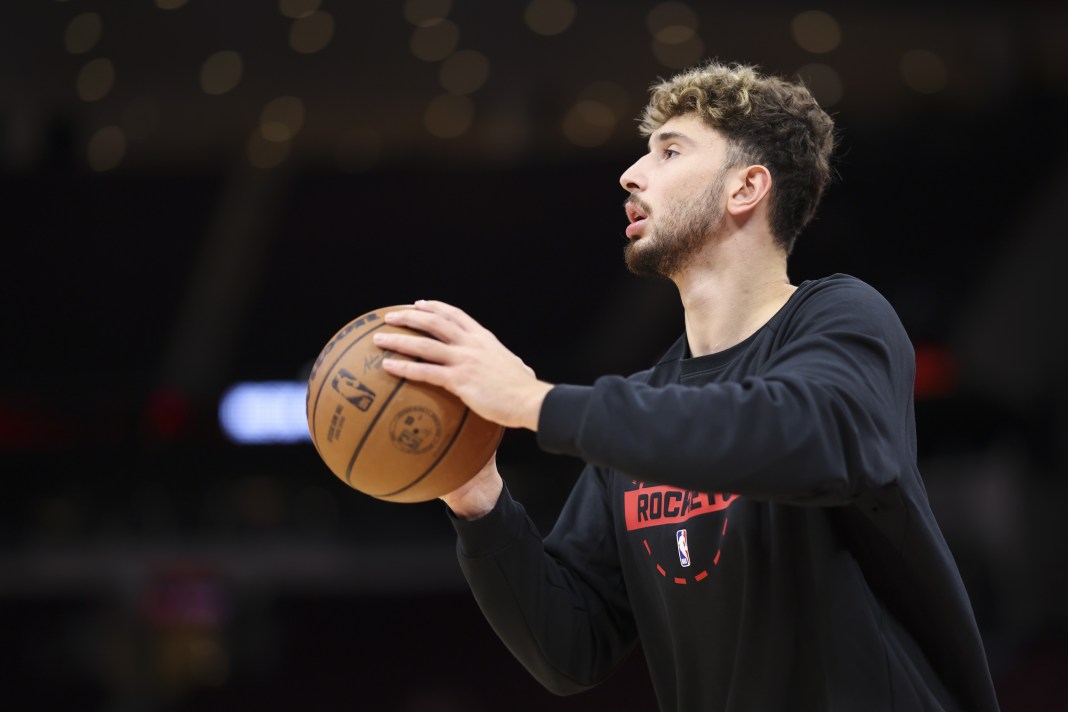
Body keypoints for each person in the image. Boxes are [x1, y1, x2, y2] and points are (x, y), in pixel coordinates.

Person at [372, 61, 1000, 711]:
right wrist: (476, 495)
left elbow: (806, 435)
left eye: (669, 151)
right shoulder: (642, 411)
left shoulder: (842, 317)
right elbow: (571, 649)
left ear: (746, 187)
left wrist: (536, 401)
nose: (630, 173)